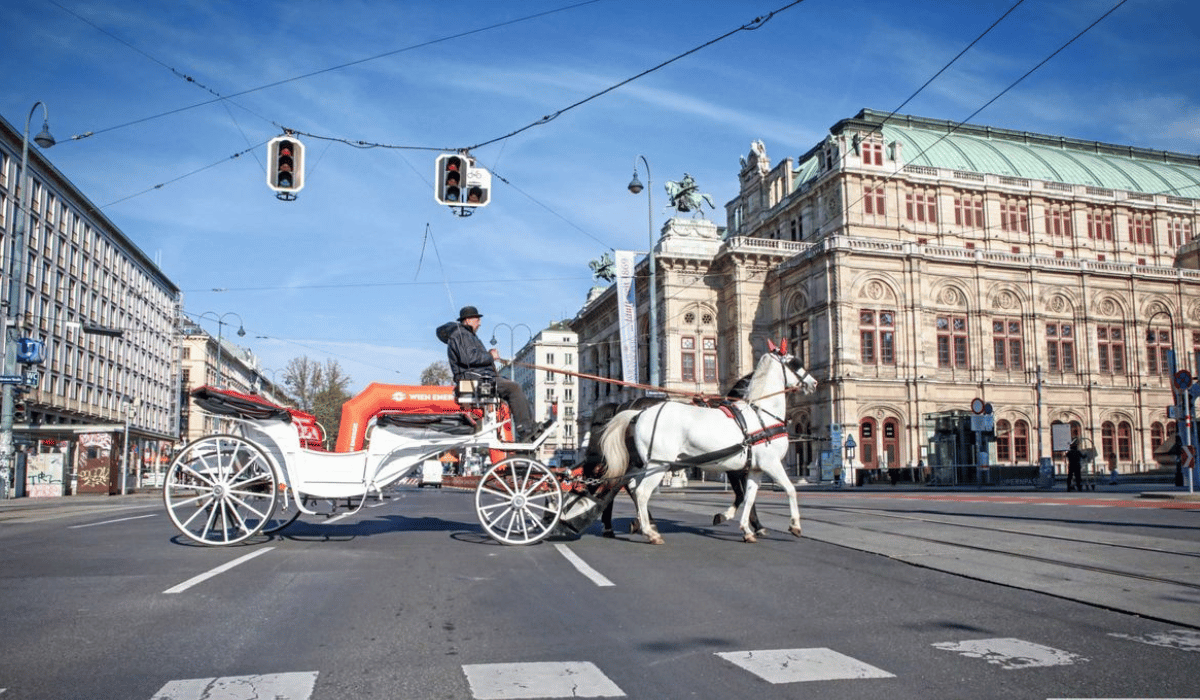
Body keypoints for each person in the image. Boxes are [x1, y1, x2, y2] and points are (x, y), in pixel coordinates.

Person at [439, 306, 538, 442]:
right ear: (467, 320)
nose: (479, 323)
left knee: (514, 388)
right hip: (474, 383)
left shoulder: (464, 335)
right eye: (477, 319)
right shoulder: (461, 335)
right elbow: (468, 358)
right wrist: (490, 356)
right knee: (513, 388)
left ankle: (530, 427)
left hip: (476, 380)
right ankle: (525, 430)